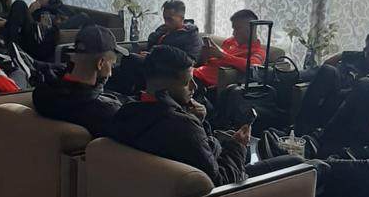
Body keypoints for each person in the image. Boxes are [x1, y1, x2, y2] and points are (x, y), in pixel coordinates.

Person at [111, 45, 309, 187]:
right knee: (301, 165)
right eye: (187, 82)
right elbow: (221, 181)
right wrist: (238, 145)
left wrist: (198, 121)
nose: (194, 87)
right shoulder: (182, 126)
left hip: (161, 191)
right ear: (166, 86)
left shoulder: (126, 111)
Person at [294, 30, 369, 135]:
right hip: (342, 100)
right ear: (366, 50)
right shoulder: (359, 57)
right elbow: (330, 62)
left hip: (365, 110)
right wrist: (341, 55)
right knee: (328, 70)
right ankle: (299, 128)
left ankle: (322, 136)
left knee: (365, 83)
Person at [33, 25, 129, 138]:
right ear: (100, 63)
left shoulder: (43, 94)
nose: (110, 73)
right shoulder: (106, 112)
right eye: (111, 66)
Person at [193, 8, 266, 91]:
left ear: (251, 29)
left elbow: (253, 67)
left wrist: (222, 55)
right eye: (233, 29)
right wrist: (206, 54)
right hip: (195, 73)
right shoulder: (230, 41)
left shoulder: (258, 52)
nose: (234, 33)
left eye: (237, 28)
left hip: (204, 83)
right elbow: (211, 62)